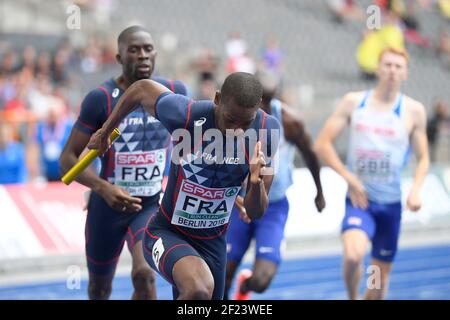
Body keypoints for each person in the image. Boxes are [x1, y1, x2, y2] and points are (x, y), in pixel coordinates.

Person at [87, 71, 281, 300]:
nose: (235, 130)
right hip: (166, 233)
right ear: (217, 99)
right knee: (198, 290)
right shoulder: (187, 114)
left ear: (258, 109)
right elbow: (140, 89)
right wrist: (106, 130)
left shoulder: (267, 132)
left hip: (213, 245)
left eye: (245, 123)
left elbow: (255, 211)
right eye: (229, 119)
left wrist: (256, 183)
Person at [59, 26, 187, 300]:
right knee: (99, 289)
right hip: (106, 209)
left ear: (155, 54)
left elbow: (192, 150)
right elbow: (67, 160)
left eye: (148, 49)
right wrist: (103, 188)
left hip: (149, 206)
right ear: (118, 57)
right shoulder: (100, 99)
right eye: (134, 50)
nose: (142, 56)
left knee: (145, 275)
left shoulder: (174, 91)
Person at [314, 47, 429, 300]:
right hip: (360, 201)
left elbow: (424, 159)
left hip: (390, 207)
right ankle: (352, 297)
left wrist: (416, 190)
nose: (392, 71)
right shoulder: (355, 102)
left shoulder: (413, 111)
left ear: (405, 73)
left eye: (398, 67)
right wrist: (349, 178)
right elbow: (322, 143)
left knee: (377, 283)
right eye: (387, 65)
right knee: (354, 256)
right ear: (378, 68)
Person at [225, 70, 325, 300]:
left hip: (273, 206)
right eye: (260, 102)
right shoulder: (234, 118)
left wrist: (319, 191)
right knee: (223, 273)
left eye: (269, 102)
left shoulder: (288, 121)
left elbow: (310, 155)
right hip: (238, 204)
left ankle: (245, 286)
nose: (264, 110)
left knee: (261, 281)